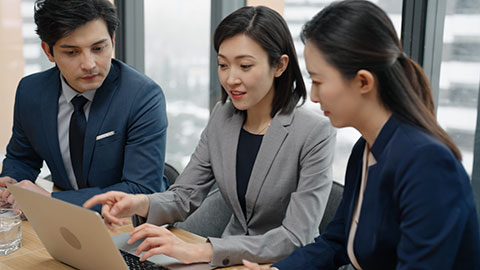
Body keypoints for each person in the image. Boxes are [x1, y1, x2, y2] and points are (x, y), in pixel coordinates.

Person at [84, 5, 336, 267]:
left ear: (280, 66)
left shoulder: (314, 132)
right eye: (223, 65)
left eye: (245, 66)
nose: (230, 78)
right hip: (224, 262)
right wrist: (138, 203)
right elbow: (185, 195)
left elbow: (296, 237)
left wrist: (204, 251)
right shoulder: (222, 117)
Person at [242, 1, 480, 269]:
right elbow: (337, 241)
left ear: (363, 81)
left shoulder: (427, 163)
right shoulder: (365, 150)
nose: (315, 96)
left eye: (318, 81)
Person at [0, 0, 169, 213]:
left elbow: (141, 188)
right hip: (64, 220)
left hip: (128, 222)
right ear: (48, 51)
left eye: (98, 48)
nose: (89, 64)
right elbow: (22, 157)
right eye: (72, 52)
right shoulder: (31, 91)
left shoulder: (142, 96)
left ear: (113, 40)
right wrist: (11, 183)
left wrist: (51, 200)